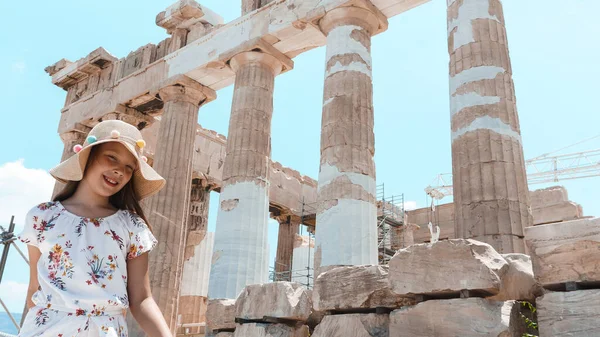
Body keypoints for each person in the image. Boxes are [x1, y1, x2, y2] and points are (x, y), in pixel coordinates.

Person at [17, 120, 172, 337]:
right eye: (112, 157)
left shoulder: (132, 226)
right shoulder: (42, 216)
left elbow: (141, 299)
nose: (119, 170)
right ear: (87, 157)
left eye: (129, 167)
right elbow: (35, 289)